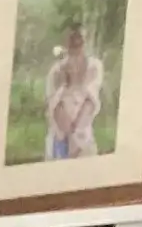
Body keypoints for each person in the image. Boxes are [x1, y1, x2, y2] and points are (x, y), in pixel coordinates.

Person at [44, 20, 105, 160]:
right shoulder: (56, 71)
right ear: (66, 42)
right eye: (72, 38)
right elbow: (55, 107)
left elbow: (90, 103)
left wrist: (76, 140)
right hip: (59, 138)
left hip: (84, 137)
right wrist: (69, 140)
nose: (76, 42)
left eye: (80, 38)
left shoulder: (94, 67)